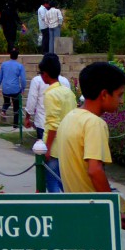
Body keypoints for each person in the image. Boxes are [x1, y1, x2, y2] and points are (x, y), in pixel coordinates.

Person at [54, 63, 125, 209]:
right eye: (119, 95)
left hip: (76, 206)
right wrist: (113, 209)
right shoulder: (94, 123)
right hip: (94, 207)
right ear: (104, 95)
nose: (121, 101)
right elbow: (95, 171)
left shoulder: (70, 117)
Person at [41, 53, 77, 193]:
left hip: (54, 146)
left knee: (52, 183)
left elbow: (53, 124)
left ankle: (58, 211)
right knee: (65, 183)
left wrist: (47, 148)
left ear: (45, 74)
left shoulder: (51, 94)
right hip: (68, 144)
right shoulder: (68, 92)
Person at [24, 64, 71, 147]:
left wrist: (28, 117)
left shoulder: (40, 84)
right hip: (63, 125)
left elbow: (32, 100)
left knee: (43, 151)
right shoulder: (65, 82)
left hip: (44, 123)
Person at [0, 49, 27, 128]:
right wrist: (23, 88)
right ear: (17, 57)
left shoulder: (4, 64)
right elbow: (23, 79)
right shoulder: (19, 66)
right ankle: (15, 124)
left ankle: (3, 110)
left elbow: (0, 77)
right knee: (16, 106)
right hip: (15, 89)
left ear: (10, 55)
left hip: (5, 88)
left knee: (6, 102)